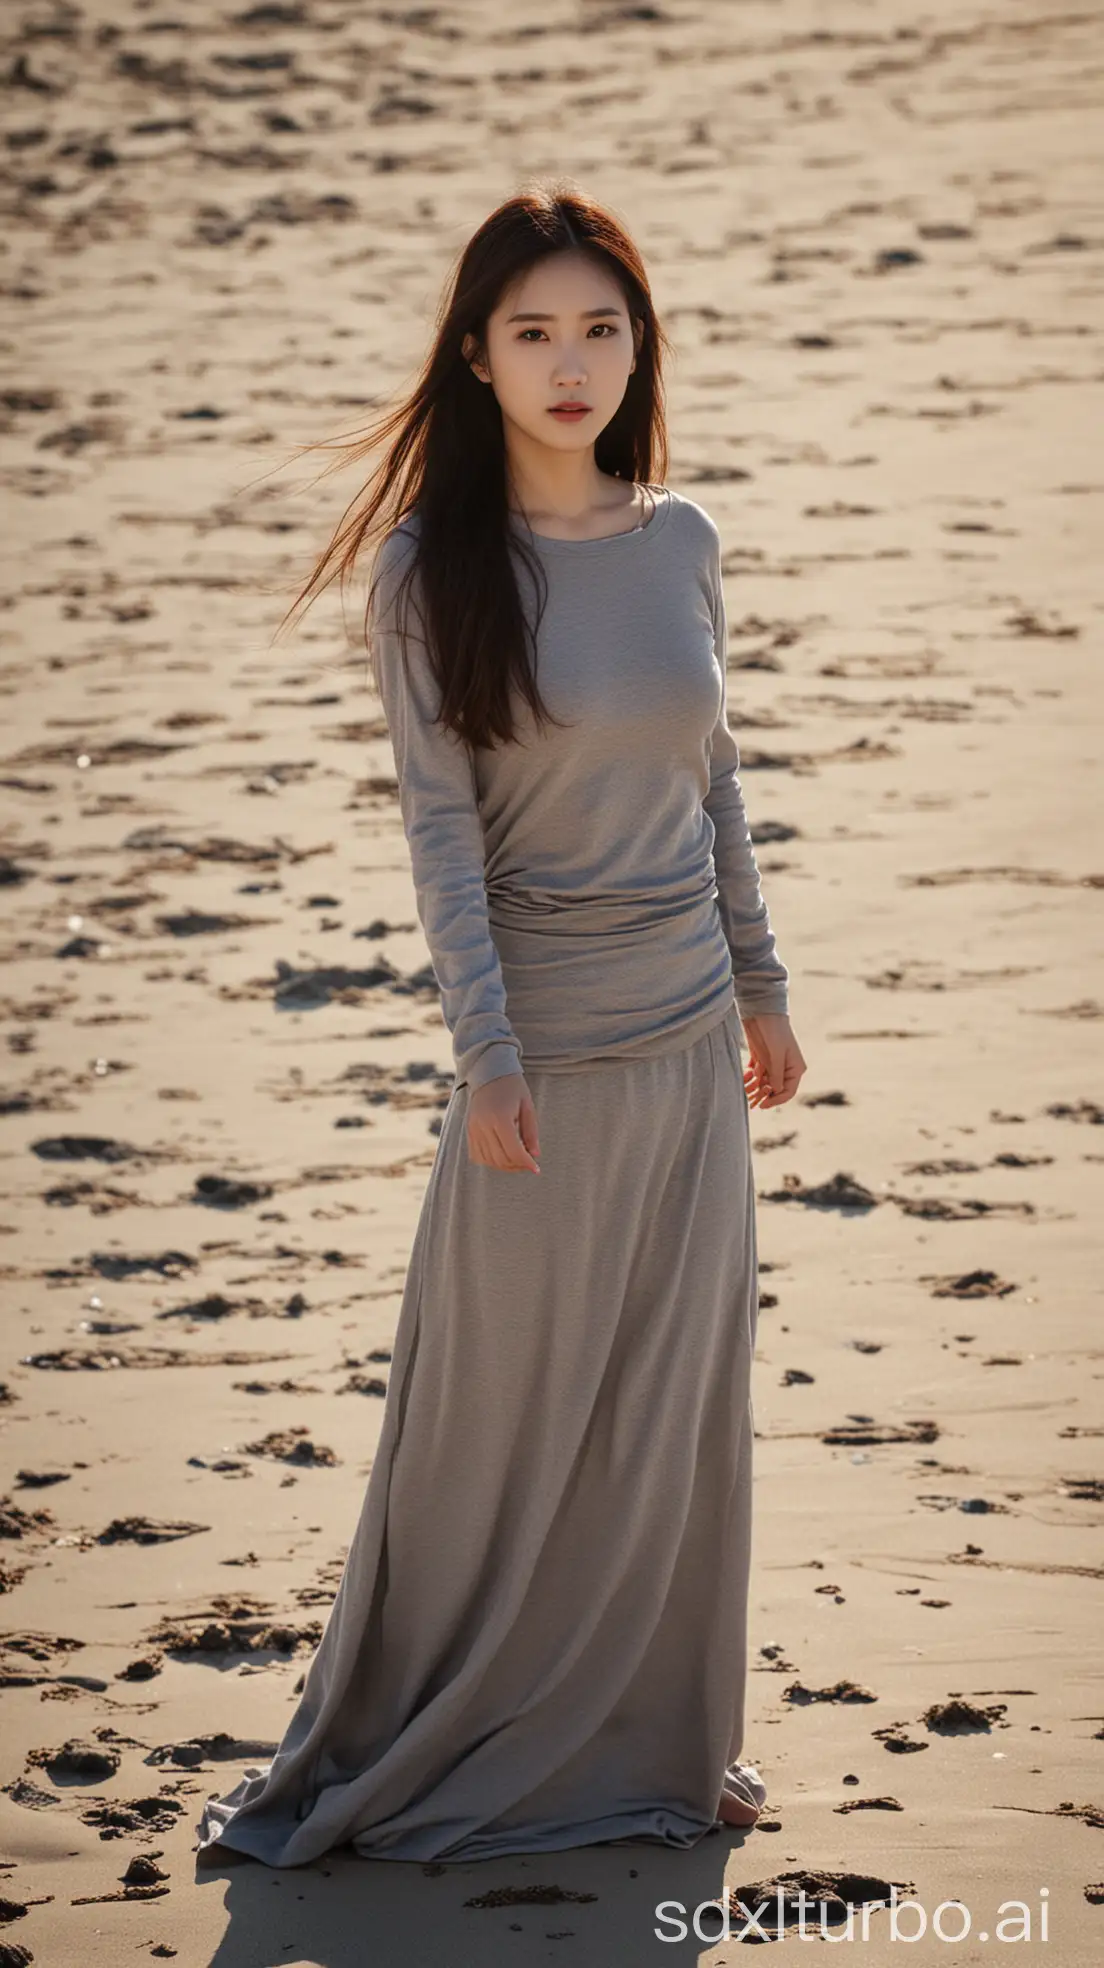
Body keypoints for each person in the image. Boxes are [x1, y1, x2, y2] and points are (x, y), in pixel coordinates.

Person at [196, 176, 806, 1869]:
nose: (569, 362)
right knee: (502, 1417)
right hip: (540, 1052)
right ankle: (439, 1732)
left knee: (670, 1414)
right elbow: (440, 833)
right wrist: (487, 1056)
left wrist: (764, 988)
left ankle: (647, 1742)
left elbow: (717, 787)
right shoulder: (429, 573)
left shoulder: (682, 541)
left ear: (638, 349)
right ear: (475, 358)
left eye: (599, 328)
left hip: (691, 1044)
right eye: (532, 331)